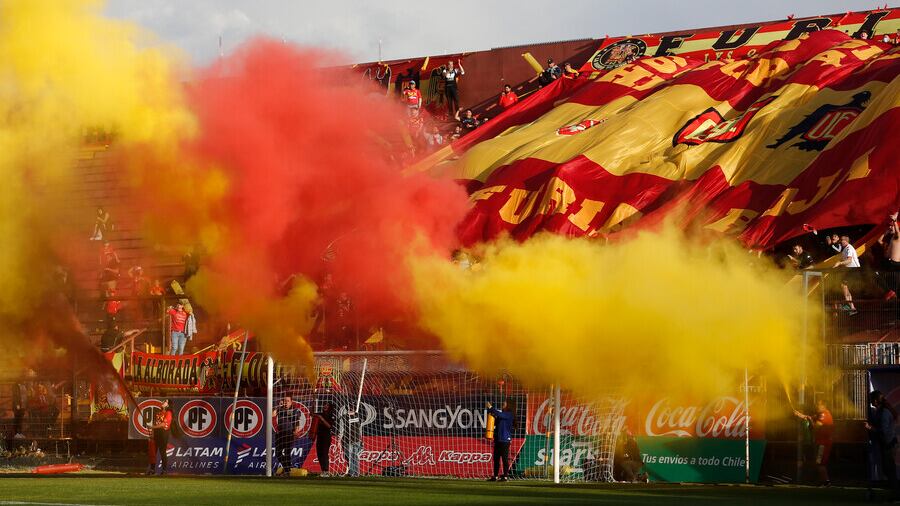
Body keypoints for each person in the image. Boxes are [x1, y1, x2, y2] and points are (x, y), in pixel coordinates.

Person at [793, 399, 834, 485]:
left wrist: (810, 421)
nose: (817, 406)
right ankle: (823, 481)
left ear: (824, 406)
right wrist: (798, 414)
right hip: (821, 443)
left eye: (819, 405)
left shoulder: (824, 414)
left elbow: (816, 426)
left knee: (820, 463)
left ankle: (826, 482)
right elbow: (808, 417)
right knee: (819, 463)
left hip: (823, 444)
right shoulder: (820, 414)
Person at [867, 390, 898, 499]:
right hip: (888, 444)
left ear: (876, 401)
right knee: (888, 469)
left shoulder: (884, 412)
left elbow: (883, 431)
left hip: (888, 444)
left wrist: (871, 428)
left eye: (871, 400)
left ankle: (896, 493)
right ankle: (895, 492)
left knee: (889, 469)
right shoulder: (882, 411)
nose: (871, 402)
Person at [486, 400, 515, 481]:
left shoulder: (509, 414)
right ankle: (495, 476)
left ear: (508, 405)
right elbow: (496, 418)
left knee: (504, 459)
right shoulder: (502, 414)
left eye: (504, 403)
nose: (503, 404)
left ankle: (505, 476)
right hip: (498, 439)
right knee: (496, 459)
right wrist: (491, 412)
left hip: (505, 440)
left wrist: (491, 407)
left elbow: (499, 414)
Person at [274, 396, 302, 476]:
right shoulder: (280, 409)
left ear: (291, 402)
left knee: (287, 452)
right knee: (278, 453)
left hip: (289, 434)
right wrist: (278, 406)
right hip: (280, 434)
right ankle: (287, 468)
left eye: (287, 401)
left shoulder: (295, 410)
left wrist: (296, 431)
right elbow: (272, 414)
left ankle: (287, 470)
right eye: (284, 401)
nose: (286, 402)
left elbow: (297, 422)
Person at [834, 235, 860, 315]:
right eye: (841, 240)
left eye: (842, 240)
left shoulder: (849, 248)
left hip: (854, 269)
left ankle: (849, 305)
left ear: (846, 241)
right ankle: (852, 307)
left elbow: (849, 260)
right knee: (844, 286)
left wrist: (839, 263)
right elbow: (843, 260)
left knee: (843, 285)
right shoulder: (844, 249)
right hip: (849, 270)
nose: (841, 241)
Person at [147, 399, 173, 475]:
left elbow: (163, 424)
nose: (163, 402)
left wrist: (152, 427)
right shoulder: (158, 413)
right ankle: (152, 469)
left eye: (165, 401)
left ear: (168, 405)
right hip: (156, 433)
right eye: (164, 401)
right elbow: (156, 423)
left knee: (162, 452)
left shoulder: (168, 413)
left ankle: (164, 470)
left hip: (163, 433)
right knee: (153, 452)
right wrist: (152, 434)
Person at [314, 403, 335, 476]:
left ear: (330, 407)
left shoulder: (331, 416)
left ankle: (326, 471)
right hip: (319, 436)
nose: (325, 406)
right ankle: (323, 470)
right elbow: (312, 414)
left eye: (327, 405)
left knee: (324, 453)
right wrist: (313, 403)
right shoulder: (320, 414)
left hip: (326, 437)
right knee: (319, 453)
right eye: (324, 405)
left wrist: (322, 419)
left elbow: (329, 426)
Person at [341, 407, 363, 477]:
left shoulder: (357, 416)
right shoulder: (346, 416)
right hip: (351, 439)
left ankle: (353, 472)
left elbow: (359, 425)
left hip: (353, 439)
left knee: (352, 456)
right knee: (352, 457)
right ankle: (353, 472)